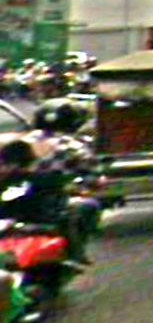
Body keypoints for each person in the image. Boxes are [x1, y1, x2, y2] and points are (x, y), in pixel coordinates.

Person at [22, 98, 101, 265]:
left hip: (18, 199)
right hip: (52, 200)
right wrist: (84, 186)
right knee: (90, 206)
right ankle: (75, 251)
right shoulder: (74, 146)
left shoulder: (21, 142)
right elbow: (92, 175)